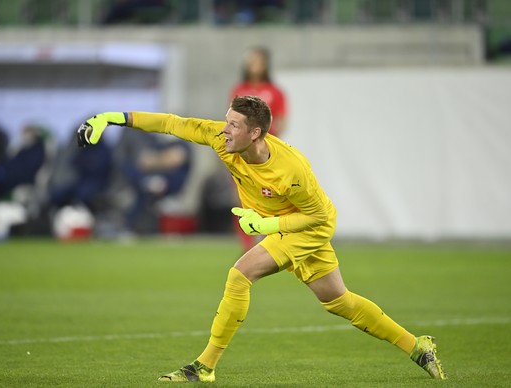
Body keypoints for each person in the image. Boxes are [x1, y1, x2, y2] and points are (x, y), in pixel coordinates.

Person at [76, 96, 447, 382]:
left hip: (306, 228)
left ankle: (203, 368)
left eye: (233, 125)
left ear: (255, 133)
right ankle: (417, 346)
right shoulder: (222, 140)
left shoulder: (292, 168)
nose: (224, 130)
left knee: (240, 274)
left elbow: (320, 217)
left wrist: (266, 227)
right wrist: (112, 118)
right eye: (226, 121)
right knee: (340, 303)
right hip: (280, 226)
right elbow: (173, 124)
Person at [230, 47, 288, 251]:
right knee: (243, 201)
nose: (254, 65)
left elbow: (280, 123)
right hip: (242, 155)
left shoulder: (275, 92)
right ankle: (247, 246)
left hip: (265, 155)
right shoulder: (239, 89)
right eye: (251, 60)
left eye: (258, 61)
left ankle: (268, 244)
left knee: (268, 201)